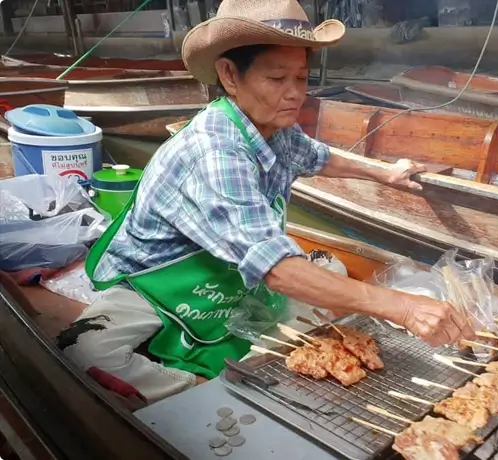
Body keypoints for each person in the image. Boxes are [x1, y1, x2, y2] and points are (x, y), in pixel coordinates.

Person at [59, 0, 475, 403]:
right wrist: (402, 307)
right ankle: (191, 390)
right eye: (278, 80)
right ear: (230, 75)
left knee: (328, 275)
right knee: (85, 353)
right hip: (155, 280)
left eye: (301, 78)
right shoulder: (216, 152)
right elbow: (276, 270)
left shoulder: (273, 125)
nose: (295, 94)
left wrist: (385, 173)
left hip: (227, 274)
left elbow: (318, 157)